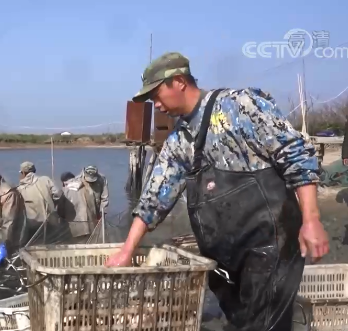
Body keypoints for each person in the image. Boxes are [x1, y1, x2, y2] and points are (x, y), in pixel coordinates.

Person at [105, 52, 329, 331]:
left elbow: (297, 156)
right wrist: (127, 251)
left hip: (272, 244)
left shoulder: (240, 105)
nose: (156, 104)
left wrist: (311, 220)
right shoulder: (179, 141)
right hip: (226, 262)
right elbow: (154, 198)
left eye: (156, 94)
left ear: (179, 82)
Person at [57, 171, 98, 244]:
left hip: (76, 229)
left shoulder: (64, 191)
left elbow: (60, 212)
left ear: (64, 182)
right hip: (90, 225)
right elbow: (94, 207)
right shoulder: (87, 188)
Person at [17, 161, 62, 226]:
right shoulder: (46, 180)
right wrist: (53, 203)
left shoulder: (20, 189)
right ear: (34, 170)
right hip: (51, 220)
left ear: (23, 173)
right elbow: (58, 193)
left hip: (33, 223)